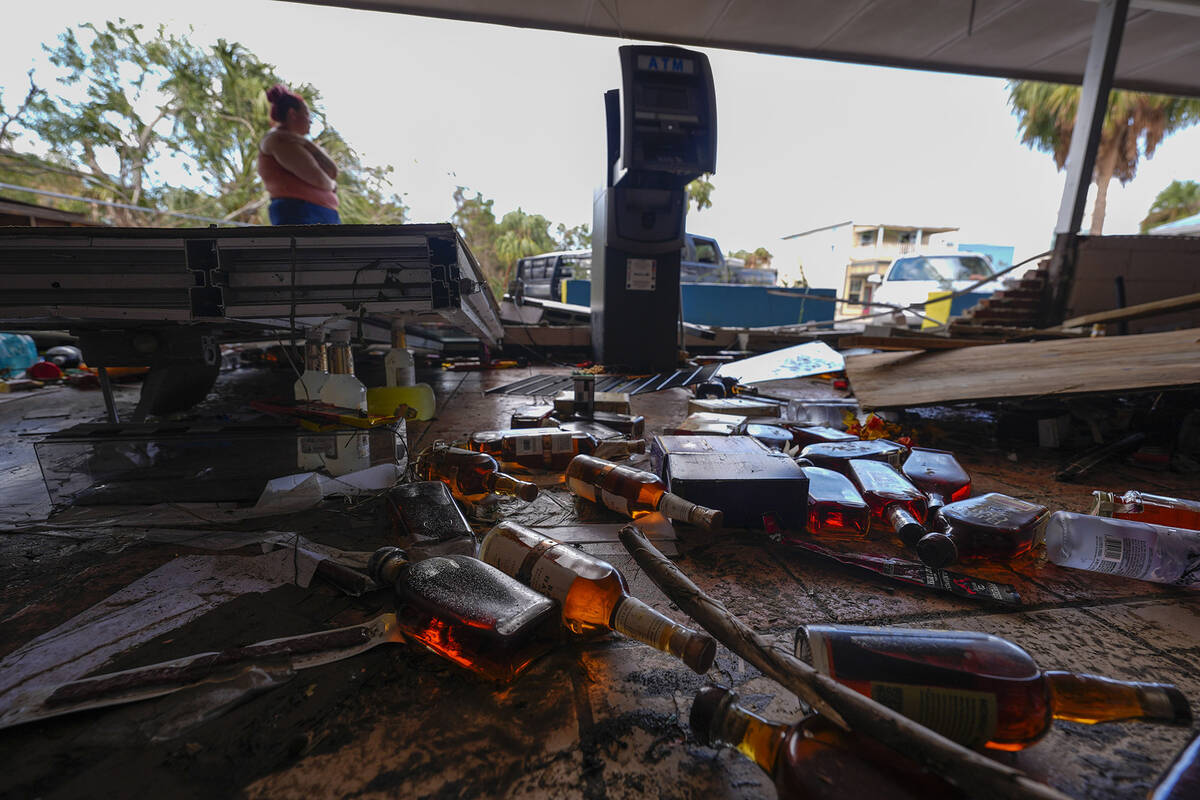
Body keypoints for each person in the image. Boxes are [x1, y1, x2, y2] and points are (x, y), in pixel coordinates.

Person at [257, 84, 340, 224]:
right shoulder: (278, 139)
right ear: (292, 114)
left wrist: (308, 144)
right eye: (307, 114)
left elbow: (332, 171)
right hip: (300, 213)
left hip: (315, 214)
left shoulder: (297, 142)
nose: (311, 120)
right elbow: (318, 178)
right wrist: (332, 185)